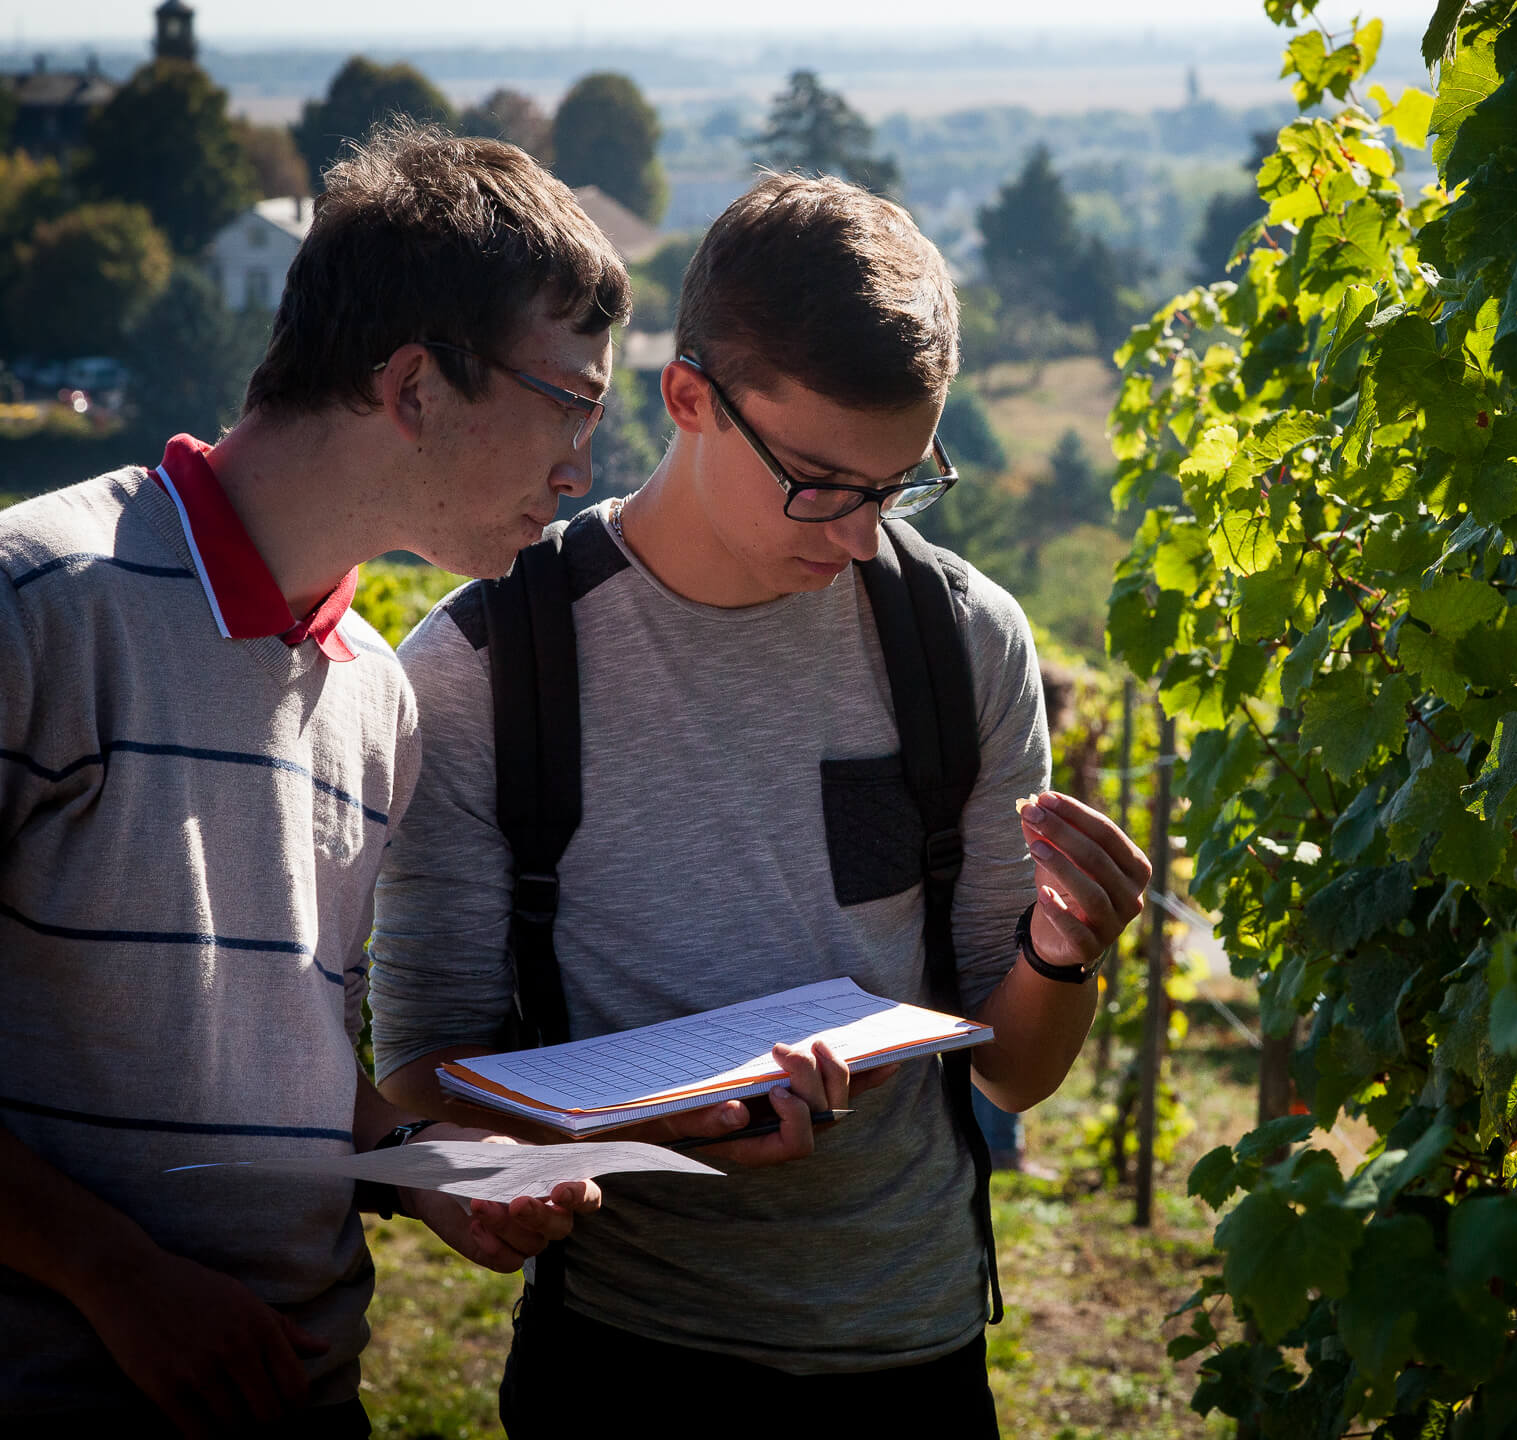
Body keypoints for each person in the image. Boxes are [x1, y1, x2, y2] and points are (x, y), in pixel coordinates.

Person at [368, 173, 1150, 1433]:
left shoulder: (962, 642)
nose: (859, 537)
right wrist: (655, 1131)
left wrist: (1062, 956)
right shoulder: (488, 665)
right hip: (625, 1360)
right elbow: (421, 1068)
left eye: (898, 486)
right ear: (689, 399)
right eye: (824, 483)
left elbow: (1014, 1074)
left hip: (923, 1347)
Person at [0, 124, 629, 1437]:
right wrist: (117, 1280)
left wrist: (426, 1170)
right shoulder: (38, 609)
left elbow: (282, 1049)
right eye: (570, 404)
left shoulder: (373, 695)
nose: (583, 472)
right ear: (413, 389)